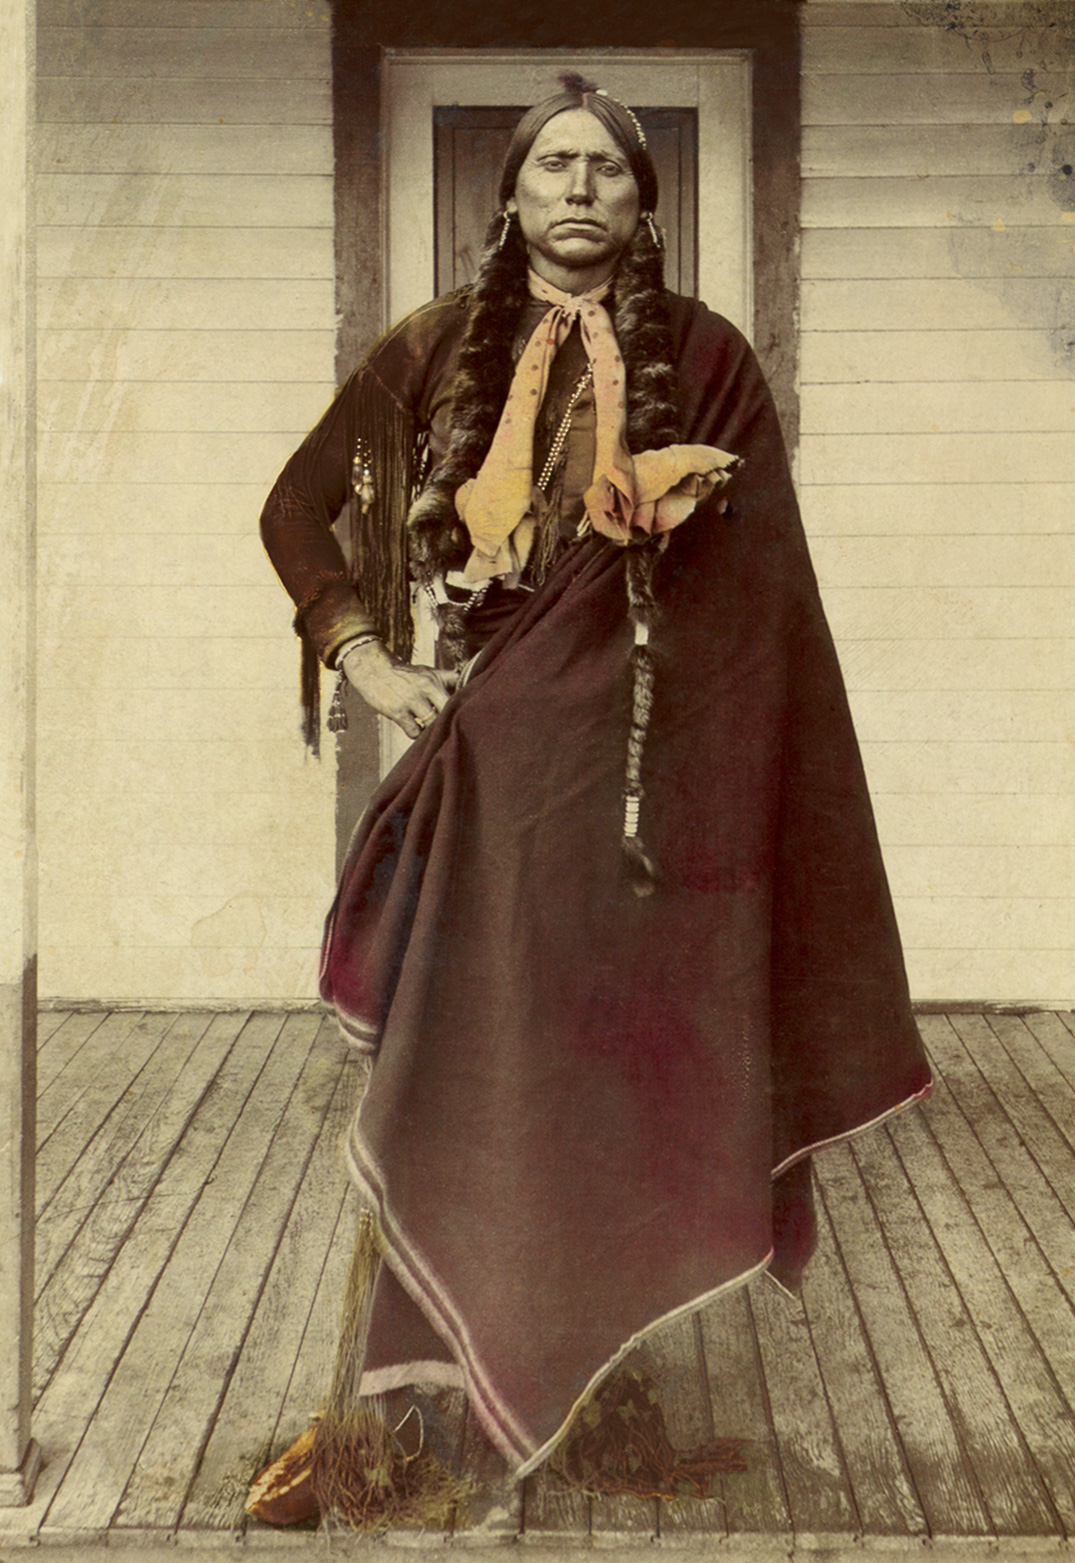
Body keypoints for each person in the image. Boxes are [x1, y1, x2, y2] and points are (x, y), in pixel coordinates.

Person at [249, 73, 932, 1525]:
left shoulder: (710, 357)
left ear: (643, 199)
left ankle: (586, 1402)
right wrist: (368, 662)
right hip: (486, 791)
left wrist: (664, 552)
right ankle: (402, 1428)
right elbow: (295, 510)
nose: (578, 188)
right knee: (456, 1081)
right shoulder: (435, 348)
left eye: (607, 169)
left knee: (597, 1092)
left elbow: (758, 615)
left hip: (635, 807)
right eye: (552, 164)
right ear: (510, 194)